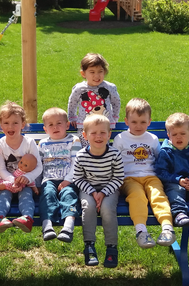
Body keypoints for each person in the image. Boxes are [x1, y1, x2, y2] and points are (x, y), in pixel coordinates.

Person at [113, 98, 176, 249]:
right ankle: (141, 231)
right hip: (129, 178)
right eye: (134, 122)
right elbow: (113, 161)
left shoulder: (152, 139)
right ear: (126, 121)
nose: (138, 126)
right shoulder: (120, 139)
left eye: (143, 122)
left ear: (149, 121)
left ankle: (167, 228)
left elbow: (161, 159)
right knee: (138, 197)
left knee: (158, 195)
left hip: (151, 176)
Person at [73, 114, 124, 268]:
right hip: (88, 188)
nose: (98, 136)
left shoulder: (114, 154)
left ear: (109, 134)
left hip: (110, 188)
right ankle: (89, 245)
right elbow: (78, 179)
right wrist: (93, 192)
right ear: (85, 135)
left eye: (103, 133)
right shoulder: (81, 156)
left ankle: (111, 247)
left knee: (107, 208)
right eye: (93, 133)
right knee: (88, 207)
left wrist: (103, 193)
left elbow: (119, 178)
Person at [0, 101, 43, 234]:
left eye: (15, 123)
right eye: (6, 123)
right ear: (1, 126)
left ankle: (27, 218)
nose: (11, 126)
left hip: (26, 183)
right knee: (3, 196)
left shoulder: (29, 142)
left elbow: (38, 166)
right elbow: (1, 169)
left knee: (26, 196)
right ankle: (0, 219)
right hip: (7, 182)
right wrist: (11, 181)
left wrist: (26, 177)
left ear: (23, 124)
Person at [37, 107, 82, 243]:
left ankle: (68, 226)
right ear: (45, 129)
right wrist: (37, 185)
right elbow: (39, 166)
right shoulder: (43, 144)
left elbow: (76, 163)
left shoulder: (74, 141)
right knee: (47, 196)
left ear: (67, 125)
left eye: (59, 123)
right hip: (49, 179)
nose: (55, 127)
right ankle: (47, 226)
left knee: (69, 196)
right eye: (50, 125)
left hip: (68, 179)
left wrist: (68, 180)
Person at [67, 52, 120, 147]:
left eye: (100, 71)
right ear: (83, 73)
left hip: (104, 126)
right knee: (85, 149)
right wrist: (72, 117)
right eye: (92, 72)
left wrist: (114, 117)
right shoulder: (79, 88)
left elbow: (116, 102)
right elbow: (72, 102)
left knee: (102, 148)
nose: (97, 76)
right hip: (84, 126)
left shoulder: (109, 87)